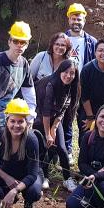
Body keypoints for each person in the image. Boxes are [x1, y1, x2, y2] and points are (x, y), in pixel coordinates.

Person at [0, 99, 44, 208]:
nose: (16, 125)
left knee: (33, 191)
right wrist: (6, 177)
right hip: (7, 173)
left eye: (20, 121)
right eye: (12, 121)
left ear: (26, 123)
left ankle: (28, 203)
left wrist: (15, 190)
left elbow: (33, 173)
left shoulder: (31, 139)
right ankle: (3, 197)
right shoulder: (0, 135)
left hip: (27, 175)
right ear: (7, 121)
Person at [34, 59, 79, 190]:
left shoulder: (71, 87)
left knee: (62, 148)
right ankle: (45, 176)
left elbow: (63, 109)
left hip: (54, 118)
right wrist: (48, 134)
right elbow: (45, 112)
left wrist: (54, 128)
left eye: (72, 73)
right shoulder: (50, 85)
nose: (68, 76)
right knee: (45, 146)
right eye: (66, 72)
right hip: (40, 117)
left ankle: (67, 178)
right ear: (60, 71)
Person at [0, 21, 36, 128]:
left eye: (23, 42)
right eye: (16, 41)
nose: (19, 45)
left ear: (27, 44)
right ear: (9, 42)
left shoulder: (24, 63)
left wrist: (30, 116)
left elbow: (29, 93)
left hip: (10, 114)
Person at [64, 3, 97, 151]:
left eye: (79, 19)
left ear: (84, 21)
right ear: (69, 20)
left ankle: (85, 151)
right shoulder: (62, 40)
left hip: (85, 86)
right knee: (66, 119)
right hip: (66, 85)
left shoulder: (92, 42)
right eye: (73, 18)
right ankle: (67, 151)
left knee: (85, 120)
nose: (76, 22)